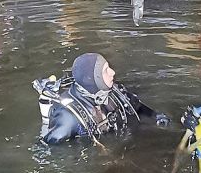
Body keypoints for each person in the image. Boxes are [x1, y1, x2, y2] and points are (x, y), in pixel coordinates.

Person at [34, 53, 169, 144]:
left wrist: (156, 116)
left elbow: (136, 107)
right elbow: (49, 151)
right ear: (91, 79)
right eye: (105, 70)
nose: (113, 72)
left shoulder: (114, 91)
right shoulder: (68, 119)